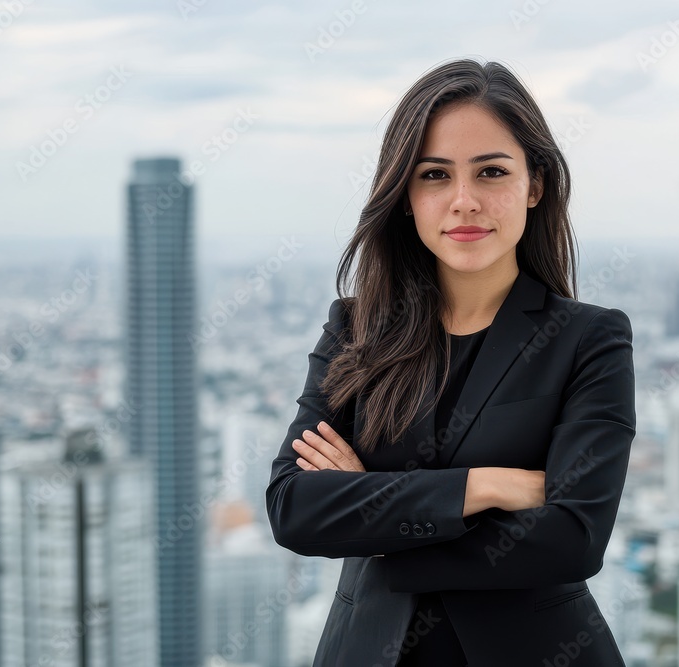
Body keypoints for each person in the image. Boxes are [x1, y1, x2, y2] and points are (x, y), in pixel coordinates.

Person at [266, 57, 635, 666]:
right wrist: (482, 486)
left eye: (491, 172)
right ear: (406, 196)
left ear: (534, 185)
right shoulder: (356, 331)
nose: (464, 201)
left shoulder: (588, 339)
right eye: (435, 175)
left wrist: (374, 514)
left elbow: (573, 540)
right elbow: (293, 508)